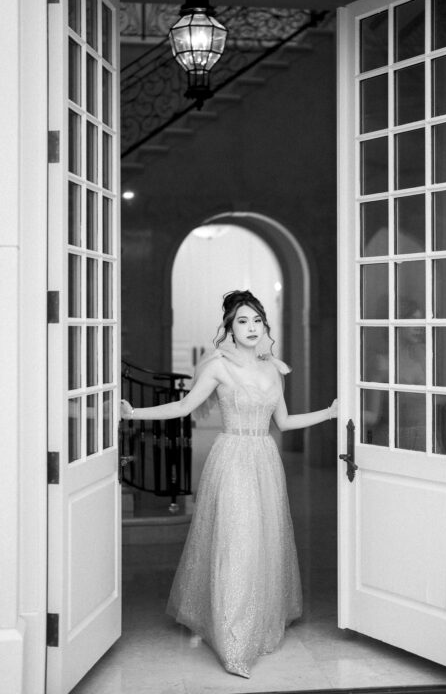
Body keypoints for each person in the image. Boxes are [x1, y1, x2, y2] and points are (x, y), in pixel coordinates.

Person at [120, 290, 338, 679]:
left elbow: (283, 424)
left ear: (265, 326)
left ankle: (257, 623)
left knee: (262, 543)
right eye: (242, 321)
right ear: (229, 328)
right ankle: (233, 641)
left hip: (266, 460)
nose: (251, 327)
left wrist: (329, 413)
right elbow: (184, 408)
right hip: (232, 459)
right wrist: (134, 411)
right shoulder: (219, 367)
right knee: (236, 543)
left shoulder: (274, 369)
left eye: (257, 320)